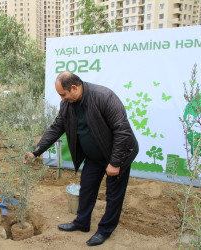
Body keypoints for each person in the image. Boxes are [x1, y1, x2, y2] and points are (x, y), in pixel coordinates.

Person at [23, 72, 139, 246]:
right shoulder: (68, 105)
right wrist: (36, 151)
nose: (62, 99)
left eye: (63, 94)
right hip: (94, 157)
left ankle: (104, 230)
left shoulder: (104, 97)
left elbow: (122, 131)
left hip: (118, 155)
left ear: (74, 88)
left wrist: (115, 163)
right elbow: (56, 128)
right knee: (86, 188)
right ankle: (82, 222)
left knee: (114, 195)